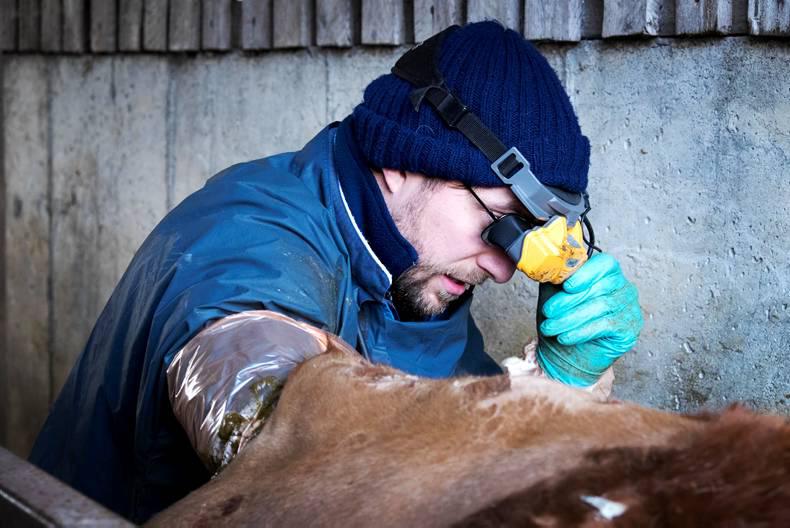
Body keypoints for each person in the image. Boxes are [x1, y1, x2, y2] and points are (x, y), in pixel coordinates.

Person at [29, 21, 642, 523]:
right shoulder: (246, 243)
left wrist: (559, 384)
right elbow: (289, 450)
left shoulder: (419, 276)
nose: (504, 270)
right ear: (403, 161)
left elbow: (467, 456)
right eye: (499, 223)